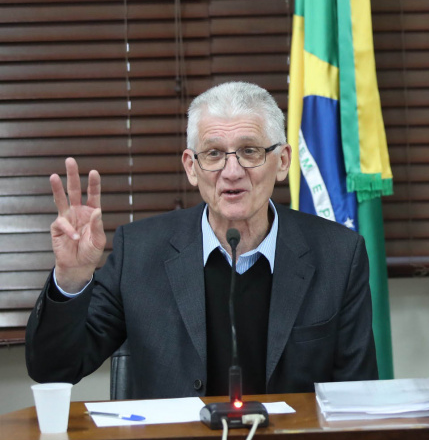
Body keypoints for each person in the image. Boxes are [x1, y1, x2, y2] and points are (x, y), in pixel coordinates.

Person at [26, 81, 377, 397]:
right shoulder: (140, 252)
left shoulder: (338, 255)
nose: (232, 172)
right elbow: (54, 370)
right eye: (213, 154)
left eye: (250, 151)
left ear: (283, 161)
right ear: (191, 167)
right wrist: (70, 279)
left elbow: (358, 400)